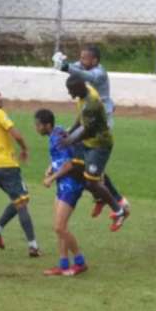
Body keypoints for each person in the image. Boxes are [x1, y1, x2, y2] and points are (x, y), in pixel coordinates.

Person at [53, 45, 128, 218]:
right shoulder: (85, 69)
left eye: (85, 58)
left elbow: (84, 76)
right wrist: (61, 63)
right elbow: (76, 68)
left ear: (94, 61)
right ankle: (101, 196)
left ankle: (116, 201)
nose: (81, 61)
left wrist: (65, 67)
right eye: (81, 57)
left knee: (91, 165)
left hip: (102, 121)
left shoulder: (99, 73)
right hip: (89, 116)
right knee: (87, 165)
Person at [0, 87, 40, 257]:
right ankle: (33, 246)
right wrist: (25, 148)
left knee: (20, 198)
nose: (0, 97)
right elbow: (16, 134)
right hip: (6, 165)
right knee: (22, 202)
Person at [61, 74, 129, 232]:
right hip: (88, 143)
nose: (70, 94)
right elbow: (81, 116)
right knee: (79, 172)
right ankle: (100, 197)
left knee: (91, 180)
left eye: (71, 90)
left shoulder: (91, 102)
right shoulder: (84, 94)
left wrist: (70, 140)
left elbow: (87, 130)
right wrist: (70, 130)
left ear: (79, 88)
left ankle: (119, 211)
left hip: (100, 144)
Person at [34, 109, 89, 276]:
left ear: (47, 125)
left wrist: (52, 178)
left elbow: (70, 164)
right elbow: (59, 159)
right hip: (63, 184)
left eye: (38, 125)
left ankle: (80, 262)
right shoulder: (55, 133)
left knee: (59, 227)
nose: (36, 128)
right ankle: (63, 264)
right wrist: (51, 167)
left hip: (71, 185)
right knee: (60, 227)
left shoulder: (58, 137)